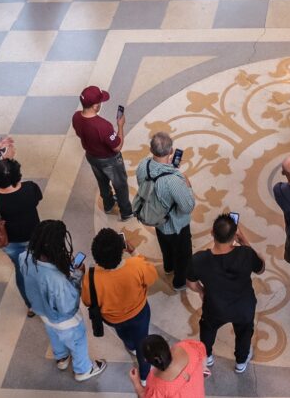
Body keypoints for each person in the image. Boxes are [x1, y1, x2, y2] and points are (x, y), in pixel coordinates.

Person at [20, 220, 108, 382]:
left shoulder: (24, 257)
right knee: (78, 340)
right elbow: (67, 306)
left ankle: (61, 358)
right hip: (65, 320)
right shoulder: (57, 279)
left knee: (53, 334)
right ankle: (83, 369)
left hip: (42, 312)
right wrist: (77, 276)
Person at [186, 214, 265, 373]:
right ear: (235, 235)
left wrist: (202, 292)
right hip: (244, 306)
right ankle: (241, 362)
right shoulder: (246, 253)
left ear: (211, 233)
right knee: (244, 332)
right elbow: (261, 268)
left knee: (207, 329)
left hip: (215, 306)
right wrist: (244, 241)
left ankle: (207, 356)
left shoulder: (199, 260)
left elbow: (191, 283)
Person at [81, 227, 157, 381]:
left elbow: (87, 300)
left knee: (123, 334)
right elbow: (152, 277)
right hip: (139, 314)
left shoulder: (90, 277)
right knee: (143, 342)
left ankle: (130, 346)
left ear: (96, 257)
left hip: (112, 319)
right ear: (122, 249)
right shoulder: (137, 265)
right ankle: (144, 376)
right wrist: (135, 253)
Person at [134, 132, 195, 291]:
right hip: (176, 226)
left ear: (151, 149)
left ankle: (168, 267)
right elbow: (187, 206)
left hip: (157, 220)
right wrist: (187, 184)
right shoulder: (173, 180)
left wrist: (169, 168)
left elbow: (144, 186)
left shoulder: (143, 165)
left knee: (165, 246)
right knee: (183, 255)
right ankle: (179, 282)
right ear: (171, 151)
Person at [0, 158, 41, 317]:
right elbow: (37, 200)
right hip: (34, 236)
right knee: (42, 265)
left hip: (10, 241)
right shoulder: (30, 188)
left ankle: (30, 306)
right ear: (18, 175)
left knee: (20, 270)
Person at [72, 86, 130, 222]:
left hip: (92, 157)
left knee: (102, 183)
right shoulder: (103, 126)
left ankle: (108, 205)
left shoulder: (76, 117)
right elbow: (117, 146)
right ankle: (126, 212)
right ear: (95, 106)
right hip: (110, 161)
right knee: (120, 185)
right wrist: (120, 125)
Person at [130, 334, 208, 397]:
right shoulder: (187, 346)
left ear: (146, 360)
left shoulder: (156, 385)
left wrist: (136, 382)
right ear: (167, 345)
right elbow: (202, 353)